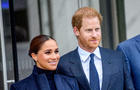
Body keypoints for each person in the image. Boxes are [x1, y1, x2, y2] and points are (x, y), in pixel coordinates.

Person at [57, 7, 134, 90]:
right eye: (89, 30)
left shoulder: (118, 58)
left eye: (97, 29)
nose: (94, 35)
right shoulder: (63, 64)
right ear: (76, 31)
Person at [10, 35, 79, 90]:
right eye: (48, 52)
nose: (54, 57)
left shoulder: (71, 83)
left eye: (56, 51)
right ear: (34, 56)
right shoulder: (19, 88)